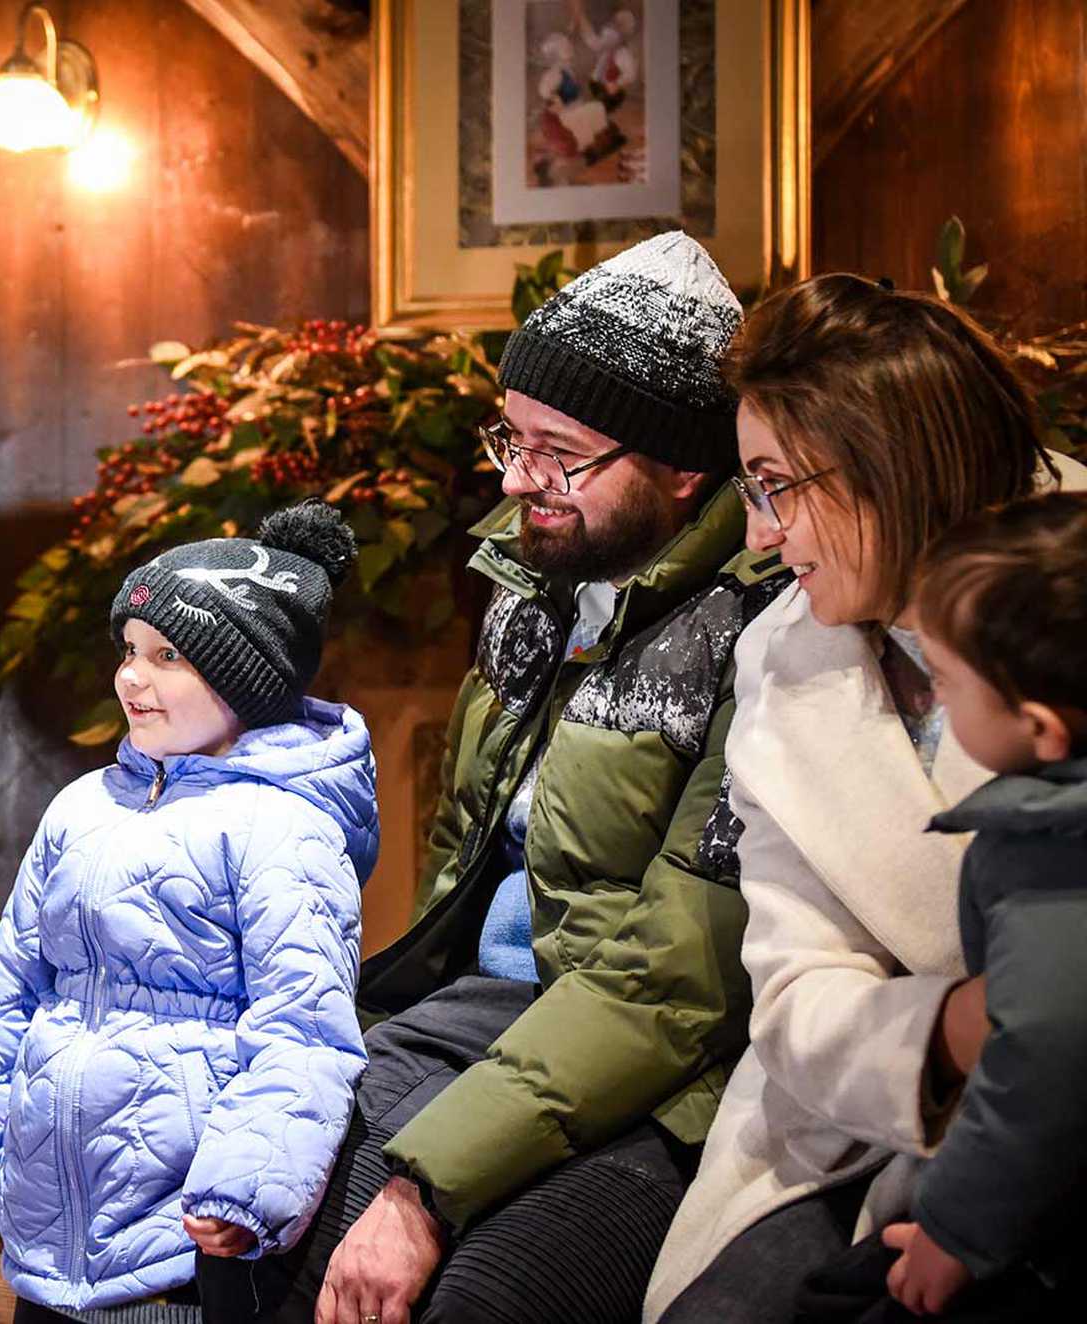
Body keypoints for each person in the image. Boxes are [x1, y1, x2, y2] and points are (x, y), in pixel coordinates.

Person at [249, 229, 790, 1324]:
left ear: (684, 467)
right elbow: (462, 869)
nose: (513, 476)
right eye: (512, 435)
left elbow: (675, 977)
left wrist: (426, 1185)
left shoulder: (764, 630)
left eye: (560, 452)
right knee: (243, 1210)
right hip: (479, 1013)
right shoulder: (533, 590)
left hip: (664, 1074)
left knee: (473, 1297)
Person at [646, 274, 1087, 1322]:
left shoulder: (1068, 590)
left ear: (888, 465)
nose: (757, 535)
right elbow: (795, 997)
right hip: (865, 1127)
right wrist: (960, 1028)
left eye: (771, 485)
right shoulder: (776, 659)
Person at [0, 504, 378, 1321]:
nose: (132, 676)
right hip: (44, 1242)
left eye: (168, 656)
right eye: (130, 649)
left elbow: (302, 1026)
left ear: (248, 682)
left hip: (177, 1251)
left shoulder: (284, 829)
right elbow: (8, 1000)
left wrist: (245, 1189)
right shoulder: (81, 809)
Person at [792, 493, 1087, 1322]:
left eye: (951, 685)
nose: (941, 704)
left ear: (1039, 728)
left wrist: (956, 1231)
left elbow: (1043, 1061)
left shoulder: (1054, 858)